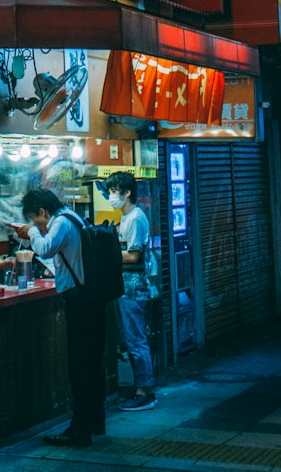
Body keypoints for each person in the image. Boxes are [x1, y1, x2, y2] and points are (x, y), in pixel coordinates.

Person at [20, 188, 106, 449]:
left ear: (43, 212)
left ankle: (80, 430)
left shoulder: (61, 222)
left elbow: (45, 249)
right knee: (91, 363)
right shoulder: (74, 216)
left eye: (35, 218)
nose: (36, 223)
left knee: (80, 365)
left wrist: (31, 232)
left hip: (79, 301)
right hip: (91, 297)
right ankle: (91, 422)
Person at [108, 172, 156, 411]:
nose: (110, 196)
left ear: (127, 193)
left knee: (136, 340)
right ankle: (140, 387)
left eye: (114, 191)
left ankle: (144, 391)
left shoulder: (135, 218)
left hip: (134, 287)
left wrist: (107, 254)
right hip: (126, 286)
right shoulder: (125, 218)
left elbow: (134, 255)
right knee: (131, 338)